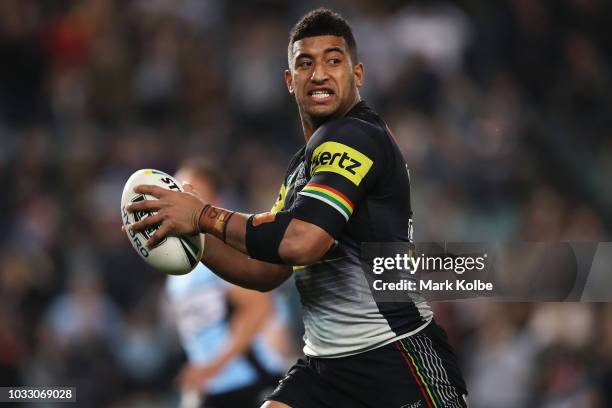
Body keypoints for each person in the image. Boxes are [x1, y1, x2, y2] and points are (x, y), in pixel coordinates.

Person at [127, 8, 468, 407]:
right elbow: (265, 269)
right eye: (306, 63)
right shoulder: (302, 168)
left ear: (357, 75)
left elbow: (303, 241)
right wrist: (191, 236)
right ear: (290, 81)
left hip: (395, 361)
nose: (320, 73)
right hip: (324, 367)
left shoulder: (356, 135)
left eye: (333, 61)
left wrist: (203, 216)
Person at [166, 158, 289, 408]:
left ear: (213, 203)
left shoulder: (222, 254)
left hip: (249, 382)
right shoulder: (178, 263)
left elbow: (259, 309)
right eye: (176, 188)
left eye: (190, 192)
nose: (180, 197)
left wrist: (212, 367)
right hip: (213, 387)